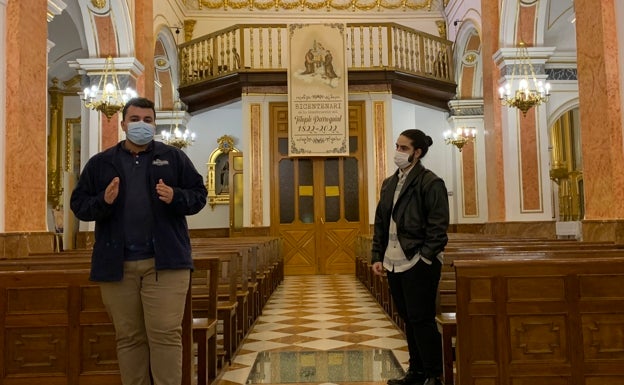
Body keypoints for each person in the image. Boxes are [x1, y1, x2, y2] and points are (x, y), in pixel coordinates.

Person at [70, 97, 207, 385]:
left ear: (155, 124)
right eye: (135, 119)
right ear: (123, 124)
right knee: (129, 337)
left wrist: (176, 197)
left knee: (166, 335)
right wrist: (103, 202)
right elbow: (79, 205)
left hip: (166, 263)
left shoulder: (173, 158)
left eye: (147, 120)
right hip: (117, 265)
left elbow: (199, 195)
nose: (141, 125)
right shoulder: (101, 163)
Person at [371, 129, 449, 385]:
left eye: (403, 148)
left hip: (417, 262)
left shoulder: (431, 182)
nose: (398, 152)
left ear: (417, 152)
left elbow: (438, 228)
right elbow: (381, 222)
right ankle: (415, 372)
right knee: (408, 319)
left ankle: (434, 375)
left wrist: (424, 258)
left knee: (422, 319)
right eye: (397, 146)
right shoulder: (389, 183)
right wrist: (377, 256)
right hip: (393, 262)